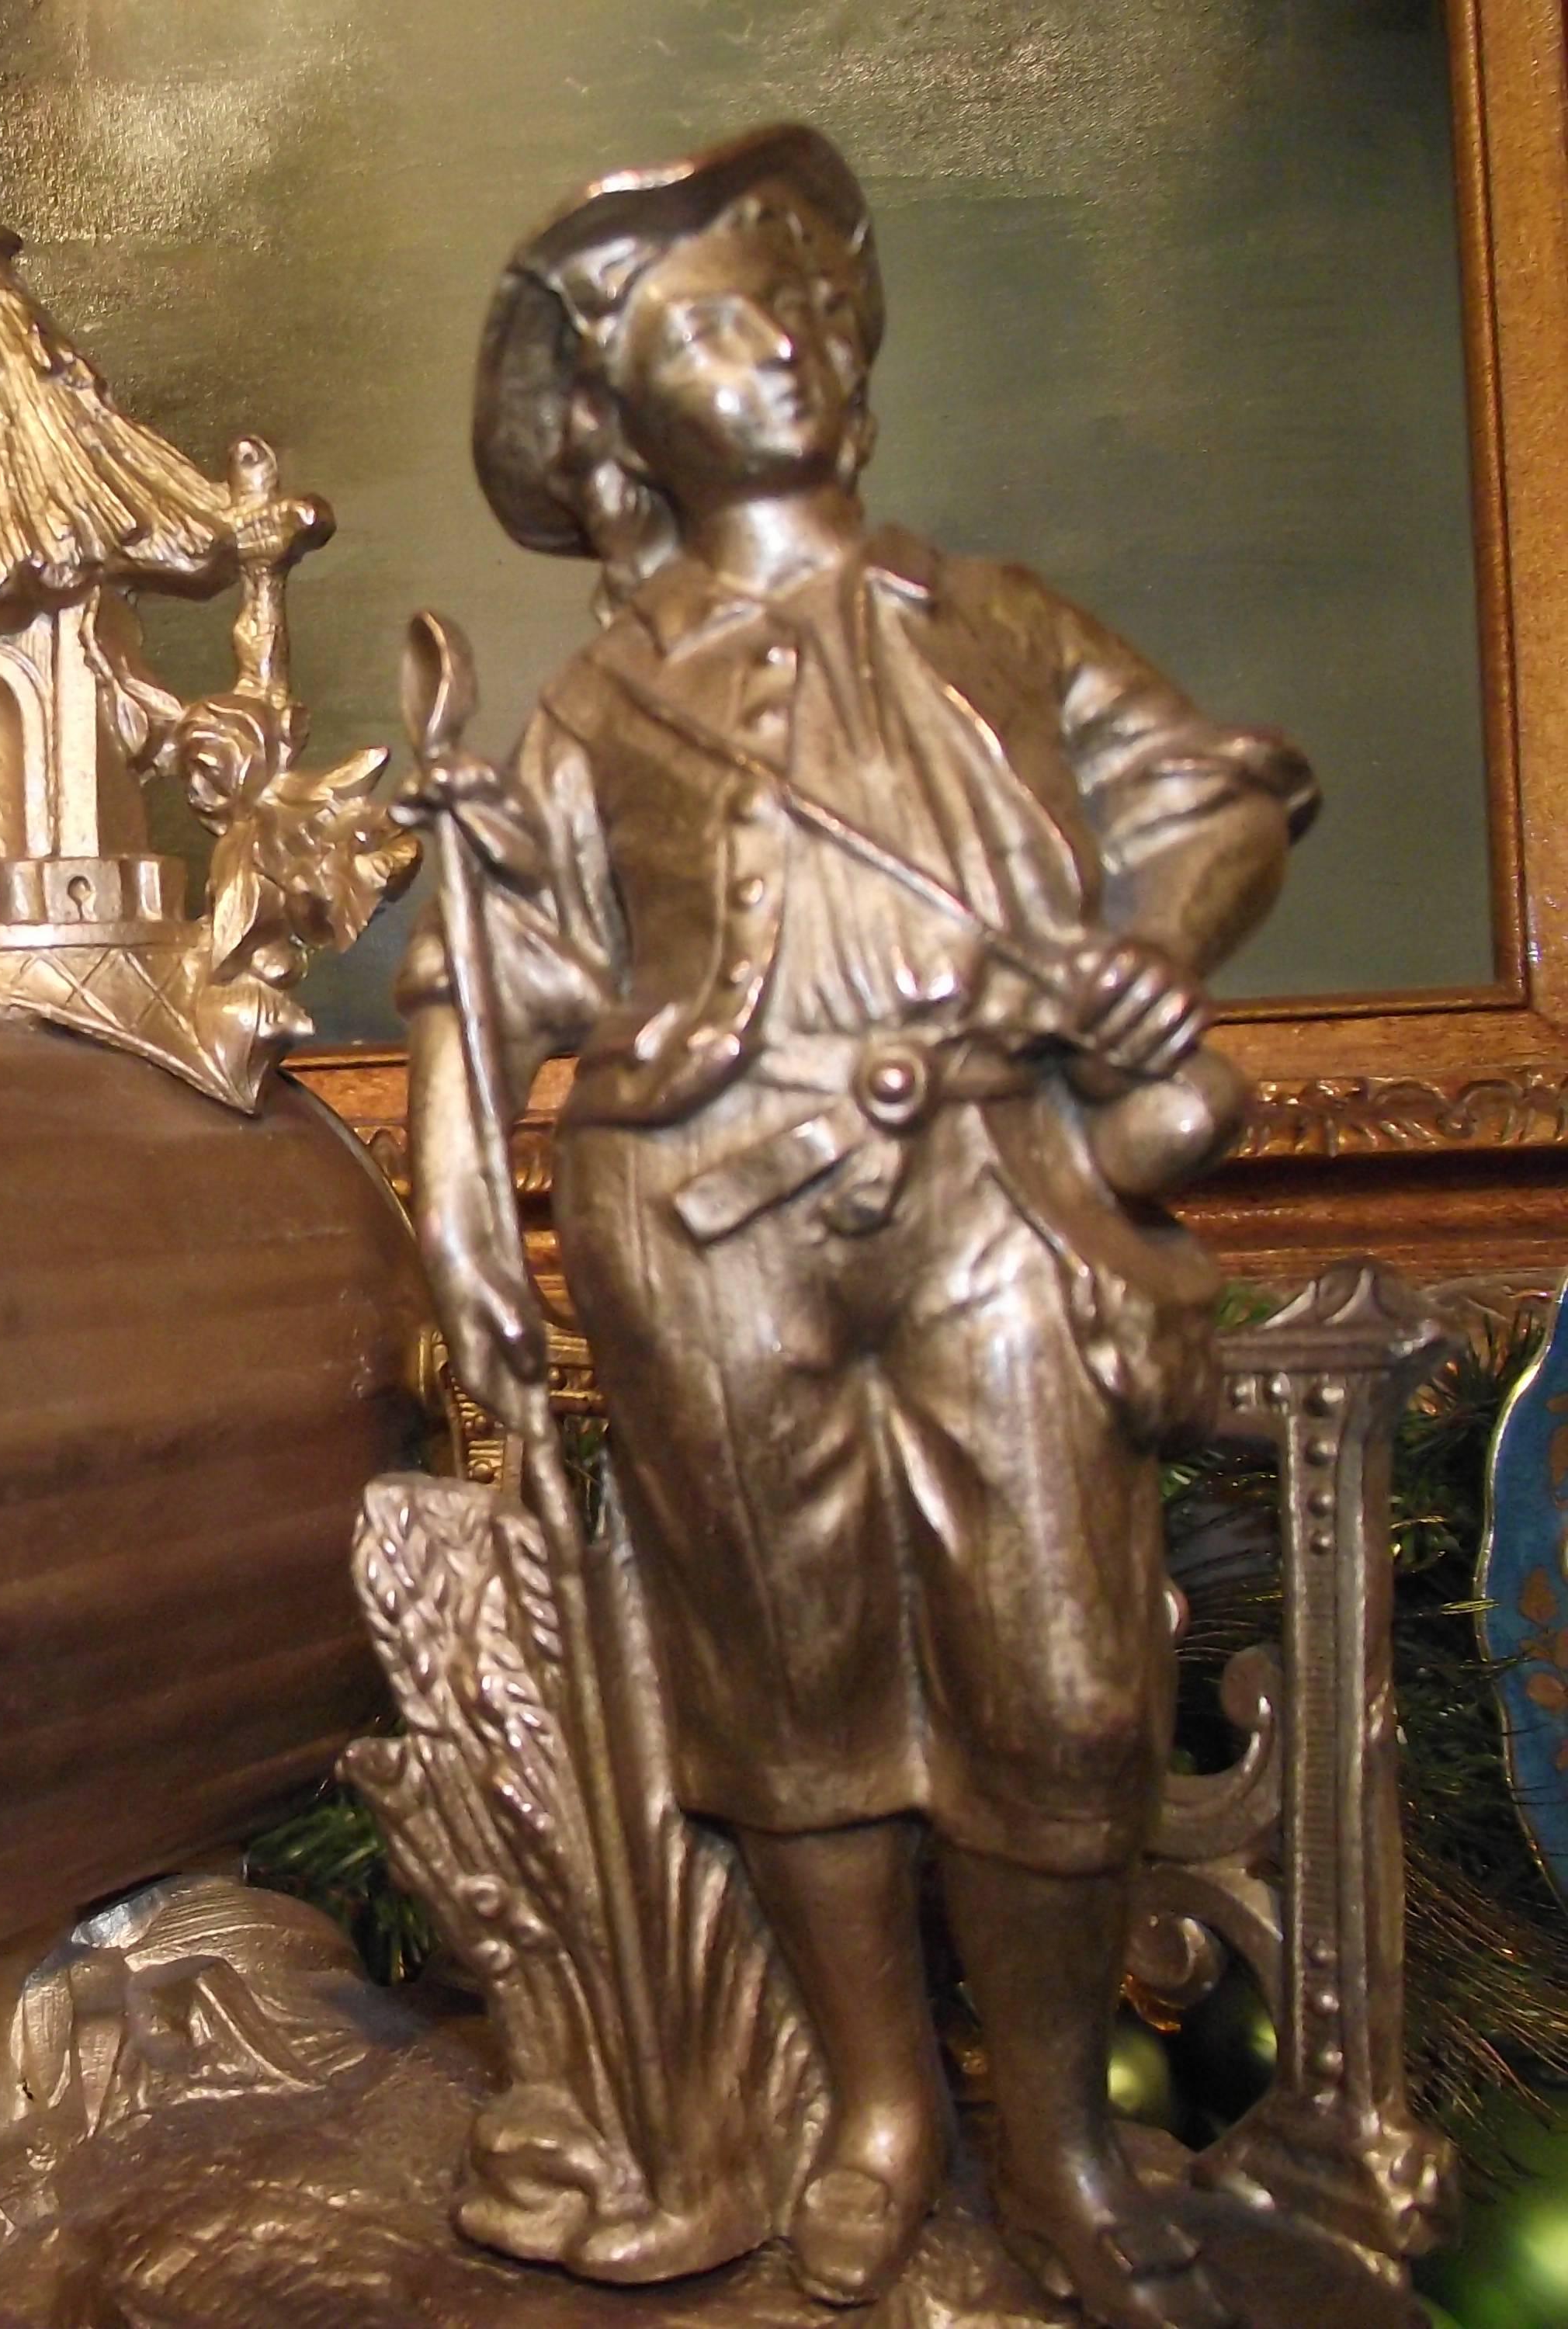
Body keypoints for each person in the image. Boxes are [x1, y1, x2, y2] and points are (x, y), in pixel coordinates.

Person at [401, 125, 1314, 2329]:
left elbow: (1207, 793)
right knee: (791, 1689)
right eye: (712, 326)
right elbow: (492, 962)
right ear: (621, 423)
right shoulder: (599, 701)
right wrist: (457, 1203)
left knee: (1068, 1679)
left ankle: (1060, 2139)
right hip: (707, 1223)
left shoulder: (987, 616)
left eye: (799, 303)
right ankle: (884, 2110)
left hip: (999, 1200)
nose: (779, 348)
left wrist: (1153, 949)